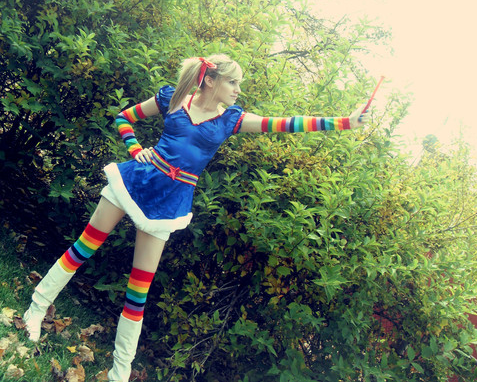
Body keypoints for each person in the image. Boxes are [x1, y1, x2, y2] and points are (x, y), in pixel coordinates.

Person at [23, 54, 368, 381]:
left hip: (168, 204)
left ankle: (120, 372)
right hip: (134, 181)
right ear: (212, 80)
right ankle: (36, 310)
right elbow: (124, 117)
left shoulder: (231, 119)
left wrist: (345, 122)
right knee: (83, 248)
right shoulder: (173, 99)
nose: (238, 90)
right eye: (233, 82)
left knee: (138, 290)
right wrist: (135, 150)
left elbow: (285, 123)